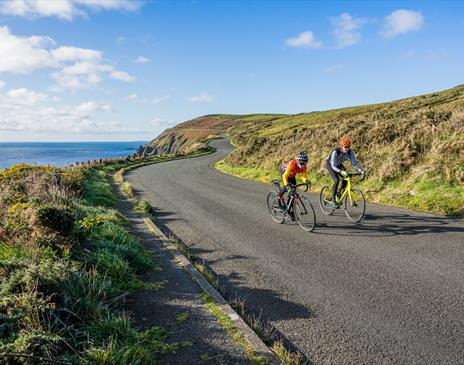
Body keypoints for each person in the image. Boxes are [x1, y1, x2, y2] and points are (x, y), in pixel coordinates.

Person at [326, 136, 365, 208]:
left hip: (338, 165)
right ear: (341, 146)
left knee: (346, 179)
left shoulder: (350, 152)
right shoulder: (335, 152)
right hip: (330, 165)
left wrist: (360, 170)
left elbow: (354, 164)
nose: (347, 149)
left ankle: (338, 193)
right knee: (336, 180)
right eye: (345, 147)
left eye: (348, 147)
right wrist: (340, 171)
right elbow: (333, 165)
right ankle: (334, 200)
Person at [278, 152, 310, 218]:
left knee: (293, 193)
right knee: (287, 188)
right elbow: (285, 176)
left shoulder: (304, 167)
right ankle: (278, 197)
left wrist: (306, 180)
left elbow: (303, 175)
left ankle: (289, 209)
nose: (304, 164)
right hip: (284, 174)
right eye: (302, 163)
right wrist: (287, 185)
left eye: (305, 162)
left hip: (292, 176)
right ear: (298, 161)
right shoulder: (292, 164)